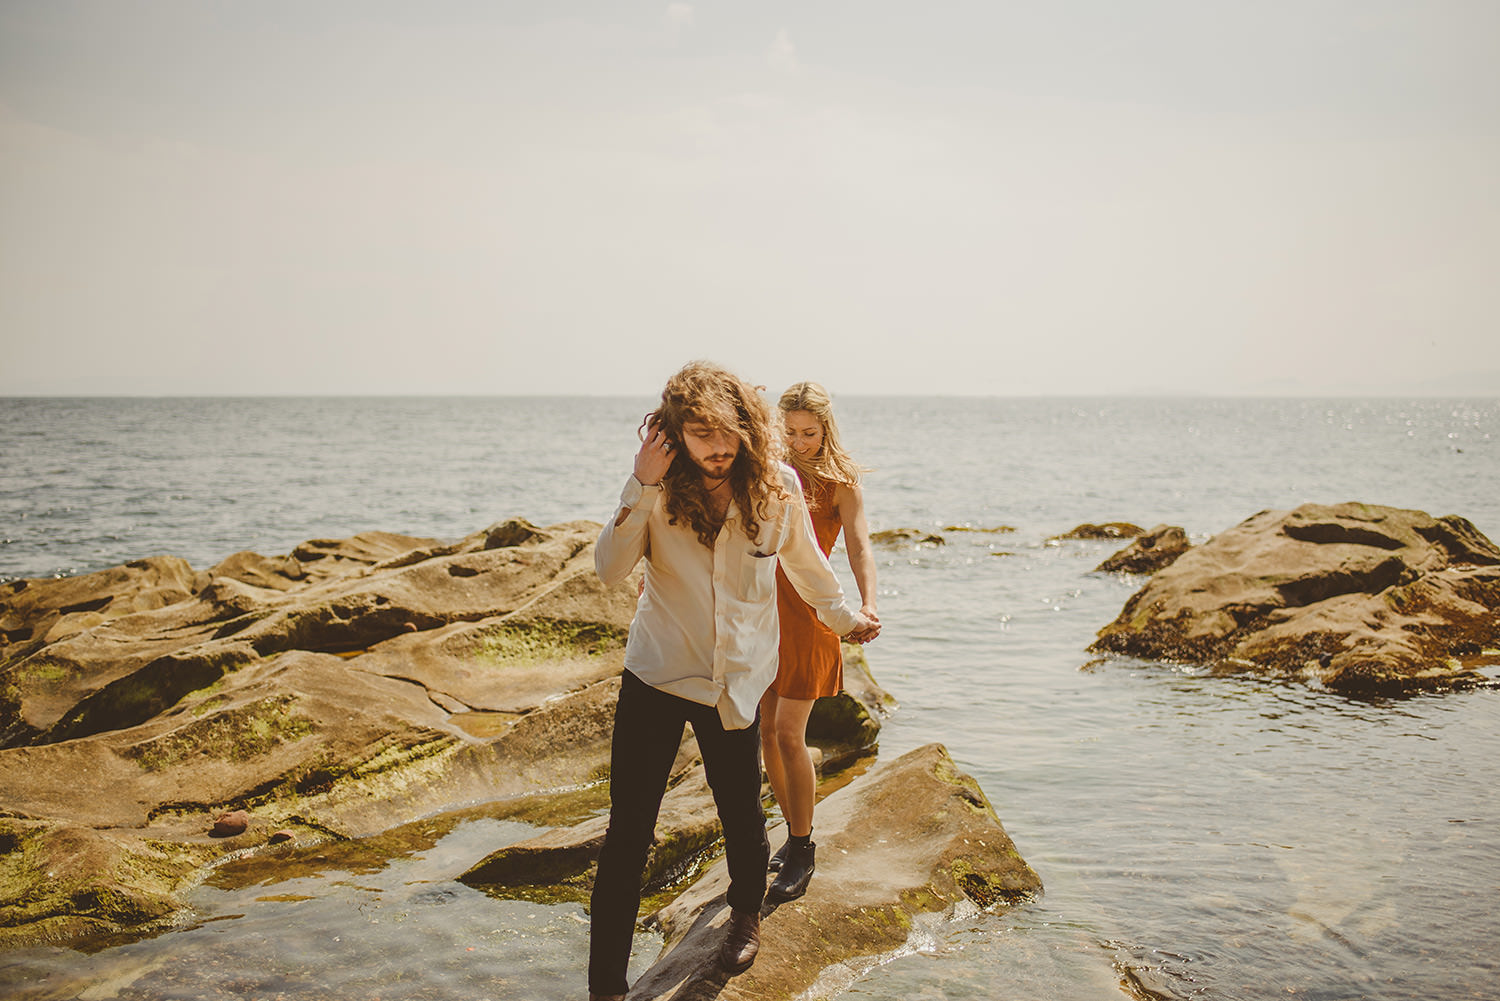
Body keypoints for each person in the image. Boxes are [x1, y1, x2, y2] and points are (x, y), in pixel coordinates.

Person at [589, 361, 879, 1001]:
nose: (717, 447)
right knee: (628, 833)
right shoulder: (658, 488)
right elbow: (609, 569)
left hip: (737, 680)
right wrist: (639, 483)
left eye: (728, 433)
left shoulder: (776, 487)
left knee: (742, 811)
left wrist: (846, 619)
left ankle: (745, 914)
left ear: (748, 428)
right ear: (674, 433)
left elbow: (807, 566)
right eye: (700, 433)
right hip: (658, 675)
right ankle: (605, 988)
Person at [759, 381, 880, 904]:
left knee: (790, 733)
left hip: (810, 612)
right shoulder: (765, 472)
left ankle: (803, 846)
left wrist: (868, 603)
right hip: (760, 611)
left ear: (826, 428)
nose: (798, 442)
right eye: (788, 432)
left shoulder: (840, 484)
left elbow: (858, 544)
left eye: (809, 433)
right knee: (764, 733)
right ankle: (791, 829)